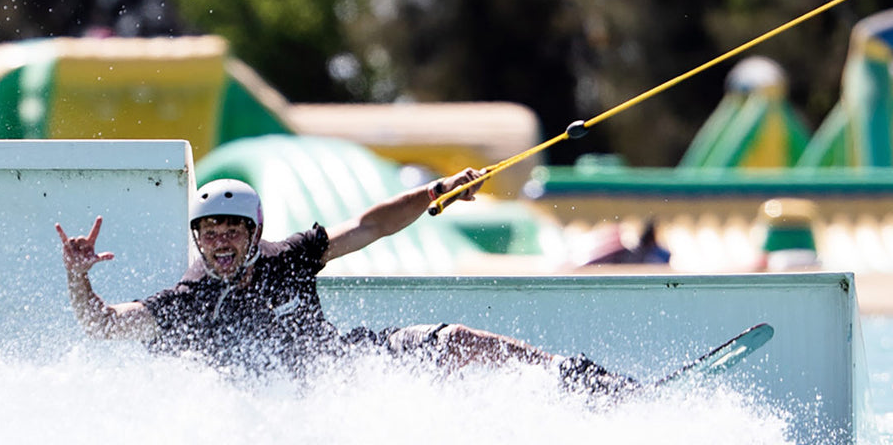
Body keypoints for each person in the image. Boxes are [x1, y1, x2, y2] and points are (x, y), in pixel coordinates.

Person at [55, 176, 638, 396]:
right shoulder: (189, 302)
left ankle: (578, 381)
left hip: (347, 365)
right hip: (281, 412)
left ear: (255, 233)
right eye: (211, 234)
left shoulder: (289, 258)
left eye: (233, 231)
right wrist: (78, 279)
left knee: (456, 340)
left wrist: (437, 192)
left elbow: (370, 225)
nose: (222, 243)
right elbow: (104, 325)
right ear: (199, 239)